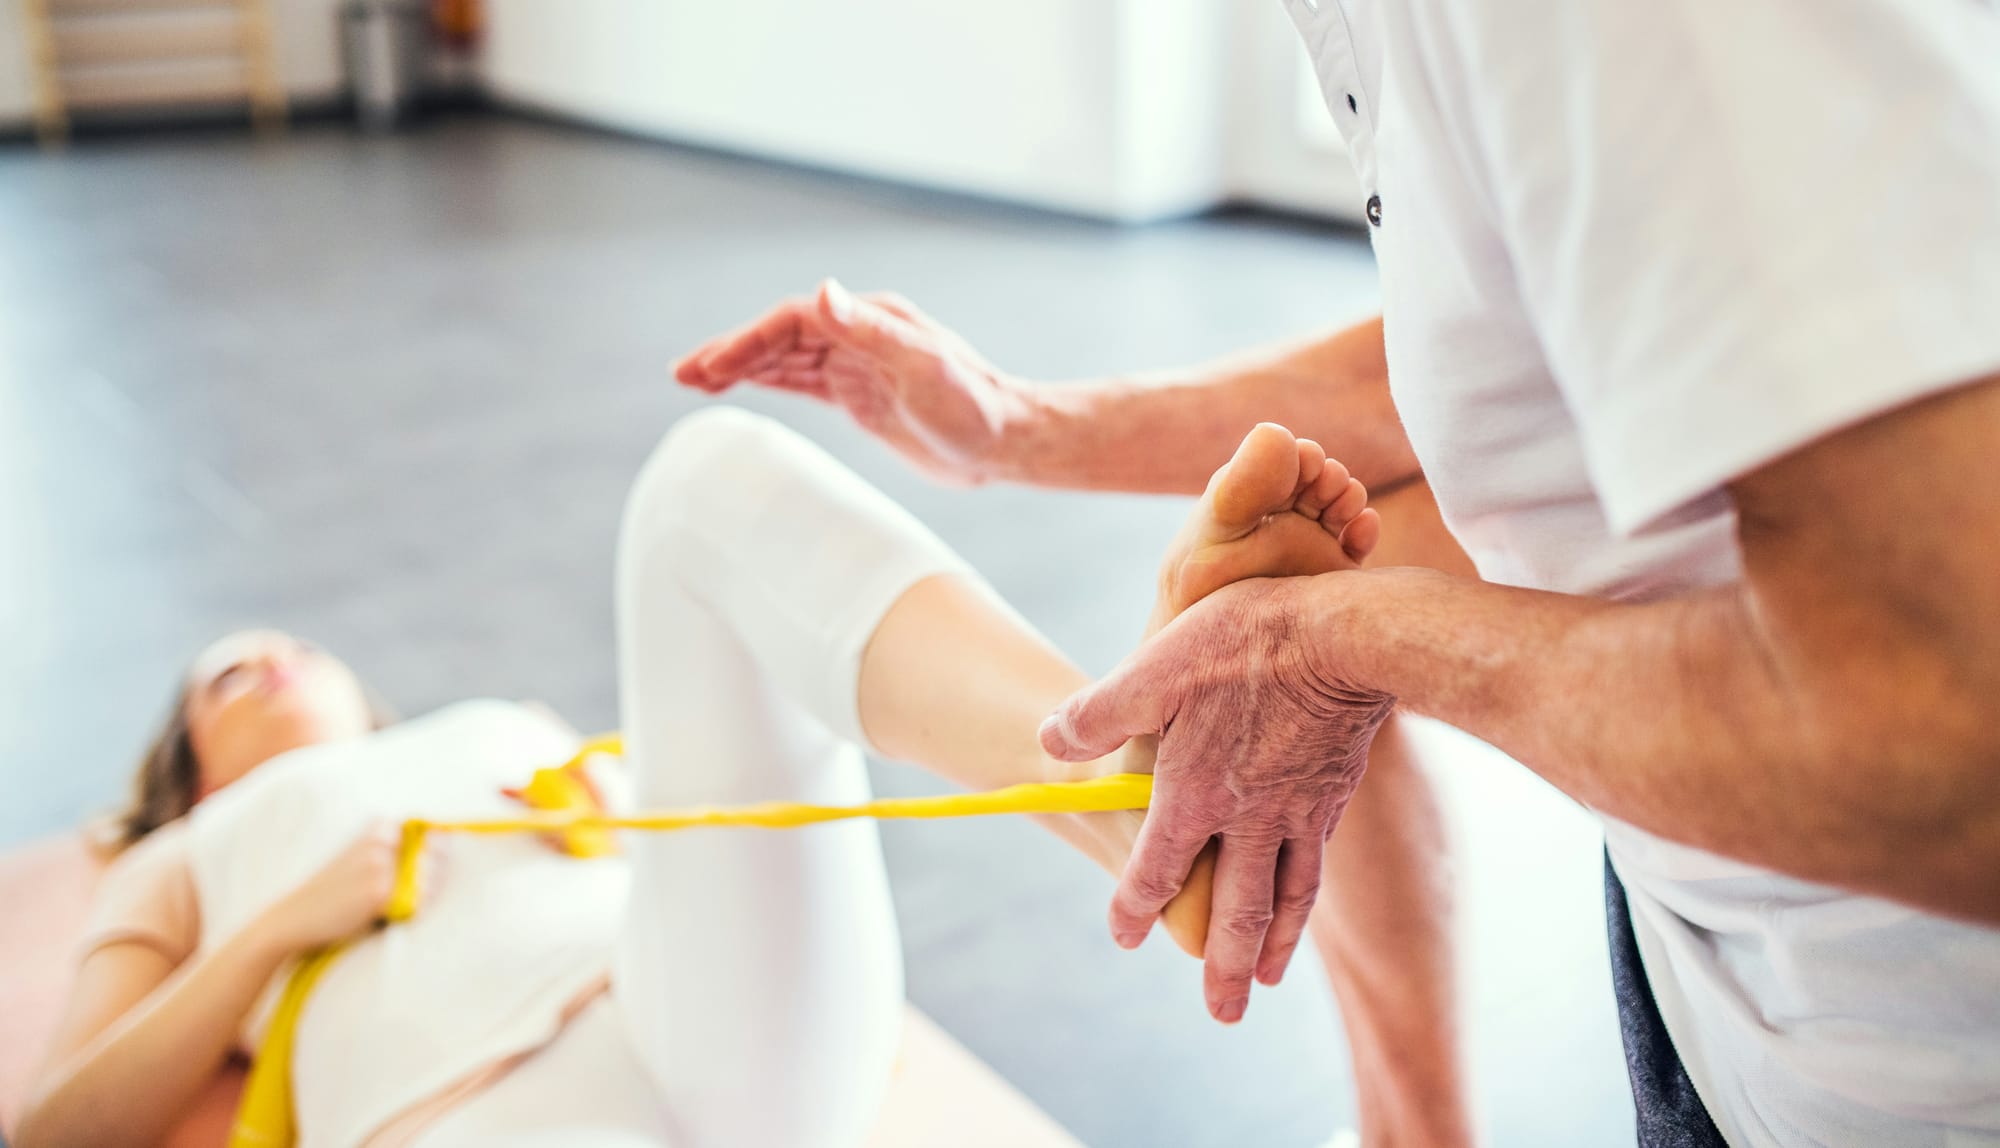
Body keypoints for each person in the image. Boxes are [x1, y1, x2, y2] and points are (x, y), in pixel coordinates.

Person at [677, 2, 2000, 1143]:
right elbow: (1511, 320)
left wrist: (1345, 646)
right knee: (1287, 578)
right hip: (1725, 955)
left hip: (1906, 1065)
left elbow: (1950, 739)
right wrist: (1016, 426)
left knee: (717, 495)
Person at [19, 407, 1378, 1148]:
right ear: (188, 774)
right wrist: (274, 923)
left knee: (700, 480)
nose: (269, 660)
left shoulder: (488, 730)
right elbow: (62, 1127)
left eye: (290, 645)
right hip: (474, 1114)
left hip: (697, 1008)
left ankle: (1122, 785)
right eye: (226, 675)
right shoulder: (181, 859)